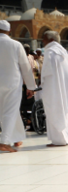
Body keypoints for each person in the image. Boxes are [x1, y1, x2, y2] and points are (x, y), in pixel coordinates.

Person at [0, 19, 36, 152]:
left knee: (7, 111)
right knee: (9, 110)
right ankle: (4, 141)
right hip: (12, 83)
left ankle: (16, 138)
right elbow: (25, 67)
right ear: (9, 31)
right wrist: (31, 87)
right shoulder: (15, 44)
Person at [40, 31, 68, 147]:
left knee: (54, 111)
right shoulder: (62, 51)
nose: (43, 41)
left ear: (50, 40)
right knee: (64, 111)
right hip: (62, 86)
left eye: (44, 39)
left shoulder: (50, 52)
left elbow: (46, 72)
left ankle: (59, 140)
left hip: (53, 87)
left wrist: (42, 84)